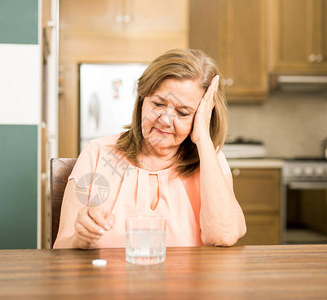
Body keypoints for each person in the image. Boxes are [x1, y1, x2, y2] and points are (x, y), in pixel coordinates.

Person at [54, 49, 246, 249]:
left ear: (202, 117)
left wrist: (203, 139)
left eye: (182, 113)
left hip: (188, 281)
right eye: (158, 104)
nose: (164, 120)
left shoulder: (210, 159)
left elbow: (224, 235)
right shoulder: (97, 153)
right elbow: (61, 247)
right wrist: (81, 238)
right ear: (142, 99)